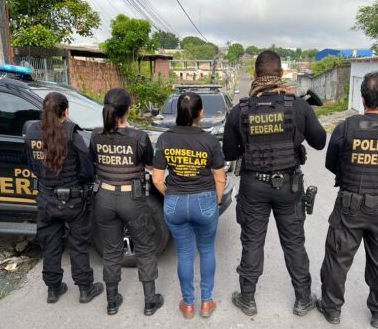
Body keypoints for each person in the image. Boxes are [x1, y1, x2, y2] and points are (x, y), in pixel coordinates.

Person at [223, 50, 327, 316]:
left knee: (252, 242)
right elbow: (319, 141)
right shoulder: (297, 106)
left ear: (256, 75)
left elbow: (230, 153)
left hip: (253, 186)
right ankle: (303, 299)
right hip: (288, 188)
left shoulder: (240, 111)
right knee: (294, 243)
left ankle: (247, 298)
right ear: (281, 75)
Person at [316, 71, 378, 328]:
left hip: (350, 206)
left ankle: (331, 310)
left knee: (338, 259)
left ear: (362, 99)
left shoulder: (347, 127)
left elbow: (332, 164)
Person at [24, 92, 103, 304]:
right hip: (73, 200)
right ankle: (85, 289)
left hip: (46, 198)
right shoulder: (72, 134)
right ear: (66, 111)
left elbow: (32, 165)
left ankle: (53, 289)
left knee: (50, 245)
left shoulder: (31, 132)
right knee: (78, 245)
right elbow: (87, 171)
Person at [90, 88, 164, 316]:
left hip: (103, 199)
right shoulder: (139, 137)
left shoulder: (95, 135)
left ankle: (112, 302)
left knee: (111, 252)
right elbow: (150, 166)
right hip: (132, 200)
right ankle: (150, 301)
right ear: (128, 109)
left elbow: (94, 161)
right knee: (145, 248)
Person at [152, 92, 226, 319]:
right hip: (204, 201)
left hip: (174, 201)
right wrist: (217, 200)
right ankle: (206, 302)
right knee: (206, 251)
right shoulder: (210, 141)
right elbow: (220, 177)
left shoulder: (165, 139)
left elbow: (156, 178)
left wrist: (170, 194)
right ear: (200, 113)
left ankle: (188, 304)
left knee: (184, 254)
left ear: (178, 113)